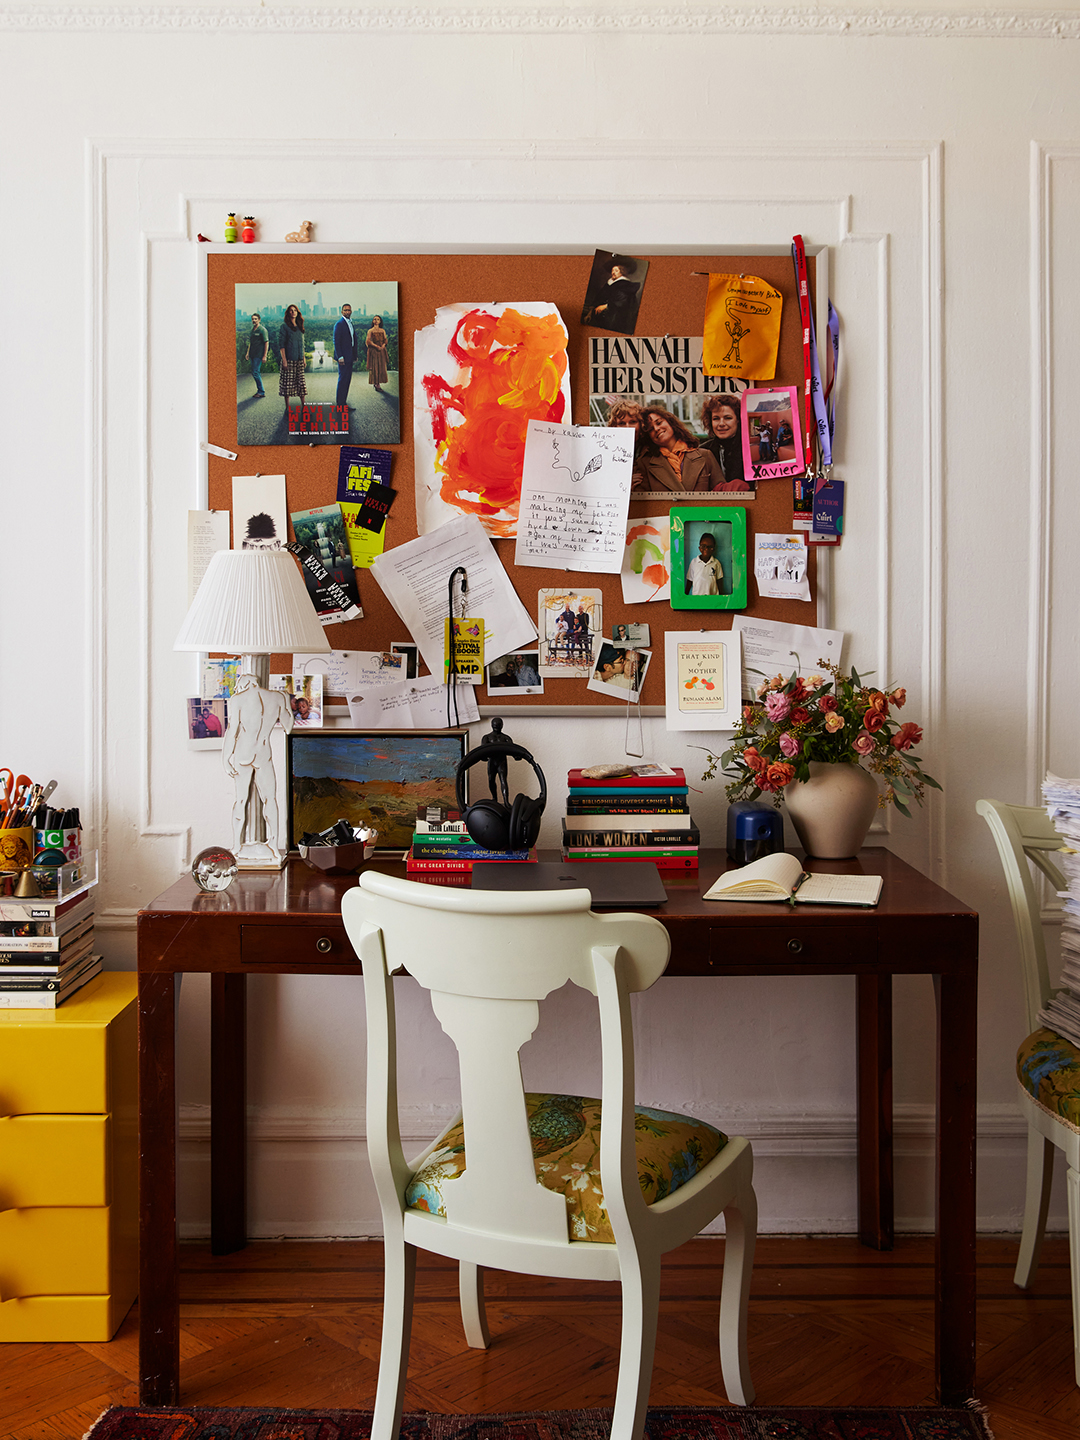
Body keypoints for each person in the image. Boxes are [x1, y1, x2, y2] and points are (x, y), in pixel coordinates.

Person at [222, 674, 294, 854]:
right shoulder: (277, 697)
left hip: (243, 753)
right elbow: (288, 726)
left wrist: (225, 758)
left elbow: (232, 730)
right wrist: (285, 702)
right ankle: (274, 845)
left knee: (240, 800)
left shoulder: (238, 699)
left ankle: (237, 846)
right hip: (263, 753)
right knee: (270, 799)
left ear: (243, 685)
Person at [634, 407, 723, 492]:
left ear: (670, 422)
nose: (656, 429)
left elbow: (723, 495)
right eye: (650, 429)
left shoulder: (705, 455)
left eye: (659, 423)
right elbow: (643, 504)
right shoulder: (644, 464)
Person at [699, 394, 750, 491]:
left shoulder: (750, 448)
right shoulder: (703, 451)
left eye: (728, 418)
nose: (721, 423)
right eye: (716, 419)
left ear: (738, 420)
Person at [582, 257, 640, 334]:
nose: (613, 272)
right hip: (599, 316)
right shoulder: (609, 284)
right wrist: (589, 313)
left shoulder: (626, 285)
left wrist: (606, 306)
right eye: (612, 270)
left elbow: (622, 302)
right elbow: (598, 299)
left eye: (616, 270)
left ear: (622, 272)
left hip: (615, 318)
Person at [277, 304, 307, 417]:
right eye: (291, 311)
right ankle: (287, 408)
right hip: (289, 359)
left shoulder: (300, 326)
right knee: (287, 384)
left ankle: (304, 406)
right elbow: (281, 345)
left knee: (301, 383)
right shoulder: (284, 327)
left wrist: (303, 358)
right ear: (288, 313)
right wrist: (284, 360)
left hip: (299, 359)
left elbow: (302, 344)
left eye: (295, 310)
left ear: (297, 313)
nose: (293, 312)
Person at [333, 303, 357, 409]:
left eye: (349, 310)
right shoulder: (339, 324)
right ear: (342, 311)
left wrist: (354, 355)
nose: (347, 312)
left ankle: (343, 403)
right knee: (343, 380)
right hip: (343, 357)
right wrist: (340, 356)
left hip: (350, 356)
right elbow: (336, 342)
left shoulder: (350, 323)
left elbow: (353, 340)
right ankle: (340, 404)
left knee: (347, 380)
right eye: (345, 310)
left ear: (351, 311)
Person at [686, 532, 724, 596]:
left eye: (710, 547)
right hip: (697, 599)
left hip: (713, 599)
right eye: (703, 546)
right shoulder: (694, 562)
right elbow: (690, 580)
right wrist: (685, 597)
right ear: (699, 547)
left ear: (713, 549)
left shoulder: (716, 563)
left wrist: (722, 599)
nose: (706, 549)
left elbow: (719, 581)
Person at [243, 312, 270, 399]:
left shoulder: (262, 330)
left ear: (259, 320)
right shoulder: (252, 330)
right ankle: (260, 391)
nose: (254, 321)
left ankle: (261, 391)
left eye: (255, 319)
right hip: (252, 354)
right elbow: (251, 343)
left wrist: (265, 356)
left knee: (255, 372)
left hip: (259, 354)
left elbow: (266, 343)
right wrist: (247, 353)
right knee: (255, 372)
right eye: (252, 319)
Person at [366, 315, 389, 393]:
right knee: (375, 367)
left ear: (380, 321)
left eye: (378, 319)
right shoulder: (370, 331)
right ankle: (376, 384)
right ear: (373, 321)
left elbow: (385, 340)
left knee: (381, 366)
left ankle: (379, 382)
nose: (376, 320)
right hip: (374, 351)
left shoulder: (382, 330)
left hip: (381, 350)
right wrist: (376, 346)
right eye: (374, 319)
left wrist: (383, 346)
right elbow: (368, 341)